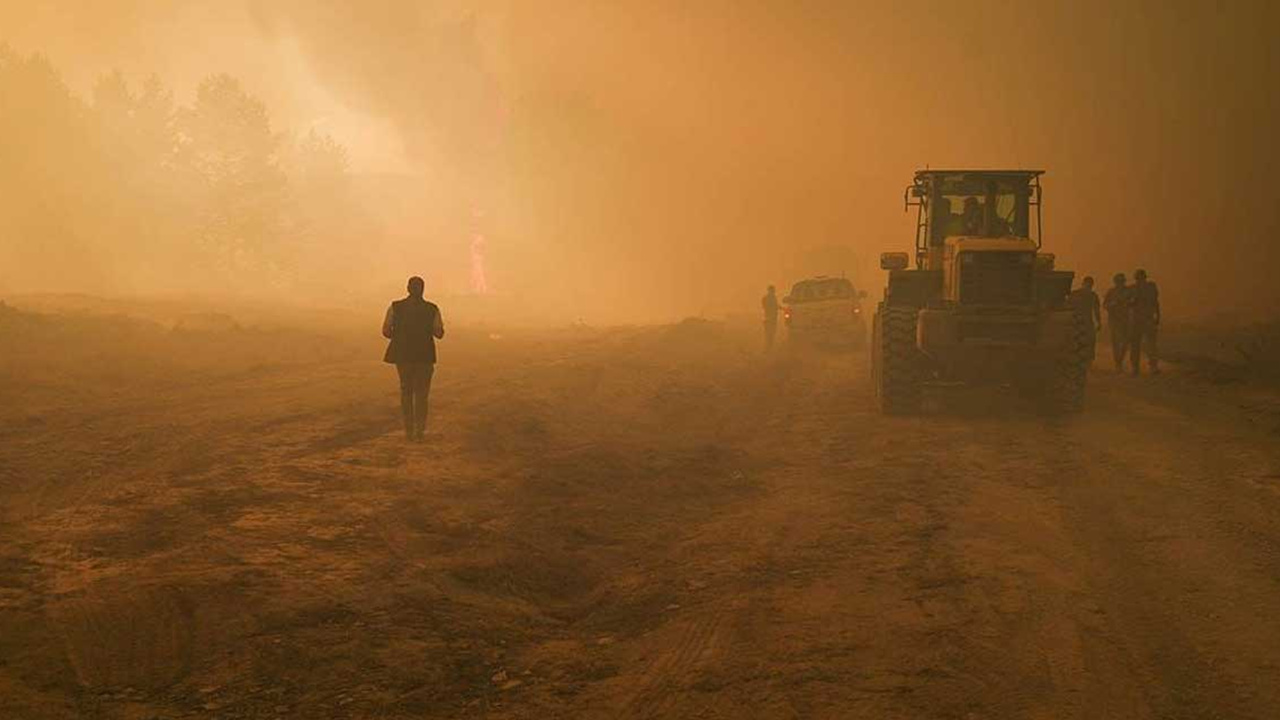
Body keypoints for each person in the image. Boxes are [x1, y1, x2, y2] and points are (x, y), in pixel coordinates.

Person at [382, 276, 445, 441]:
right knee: (422, 394)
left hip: (403, 355)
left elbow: (386, 331)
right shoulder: (432, 309)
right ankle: (419, 431)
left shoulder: (396, 307)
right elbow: (439, 333)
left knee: (406, 392)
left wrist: (402, 335)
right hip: (424, 356)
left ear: (407, 288)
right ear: (423, 289)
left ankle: (408, 430)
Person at [1128, 268, 1160, 375]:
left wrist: (1158, 315)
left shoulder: (1151, 287)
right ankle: (1135, 367)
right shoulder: (1133, 289)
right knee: (1136, 344)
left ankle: (1152, 366)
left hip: (1147, 318)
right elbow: (1127, 304)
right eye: (1139, 278)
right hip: (1137, 319)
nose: (1140, 280)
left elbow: (1155, 302)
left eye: (1141, 278)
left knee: (1150, 344)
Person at [1068, 276, 1102, 365]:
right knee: (1086, 340)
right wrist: (1099, 322)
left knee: (1085, 340)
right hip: (1082, 321)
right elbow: (1096, 310)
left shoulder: (1077, 294)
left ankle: (1084, 360)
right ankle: (1085, 360)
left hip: (1080, 321)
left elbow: (1096, 310)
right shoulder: (1091, 295)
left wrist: (1098, 322)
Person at [1102, 272, 1131, 371]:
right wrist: (1113, 304)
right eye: (1118, 282)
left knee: (1125, 342)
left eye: (1122, 281)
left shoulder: (1129, 291)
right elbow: (1105, 305)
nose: (1120, 283)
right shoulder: (1111, 292)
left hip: (1126, 319)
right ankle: (1118, 363)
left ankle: (1120, 361)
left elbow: (1134, 303)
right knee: (1116, 342)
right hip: (1114, 320)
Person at [762, 285, 779, 351]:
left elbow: (765, 307)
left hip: (767, 318)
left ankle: (768, 347)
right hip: (772, 318)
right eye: (773, 290)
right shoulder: (773, 298)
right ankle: (769, 348)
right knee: (771, 333)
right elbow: (775, 306)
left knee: (768, 333)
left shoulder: (765, 298)